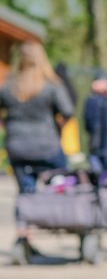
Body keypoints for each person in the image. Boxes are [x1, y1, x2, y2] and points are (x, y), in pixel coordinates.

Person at [0, 41, 74, 253]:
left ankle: (24, 234)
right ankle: (62, 219)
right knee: (60, 183)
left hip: (17, 146)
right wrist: (58, 129)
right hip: (47, 145)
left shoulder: (10, 85)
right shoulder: (51, 84)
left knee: (25, 191)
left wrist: (8, 125)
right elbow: (67, 111)